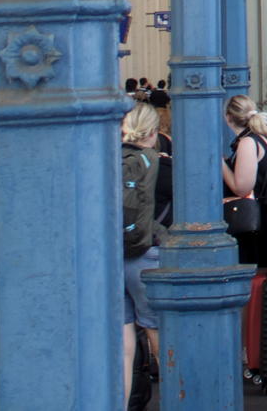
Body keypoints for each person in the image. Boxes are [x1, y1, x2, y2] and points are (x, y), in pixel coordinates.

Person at [120, 101, 167, 407]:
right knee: (157, 334)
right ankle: (177, 399)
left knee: (123, 344)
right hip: (146, 255)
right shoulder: (162, 164)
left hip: (114, 255)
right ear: (154, 131)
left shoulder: (107, 159)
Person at [223, 94, 267, 267]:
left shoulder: (248, 142)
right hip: (266, 219)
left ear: (228, 118)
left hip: (254, 221)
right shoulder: (264, 138)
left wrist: (220, 164)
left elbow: (242, 188)